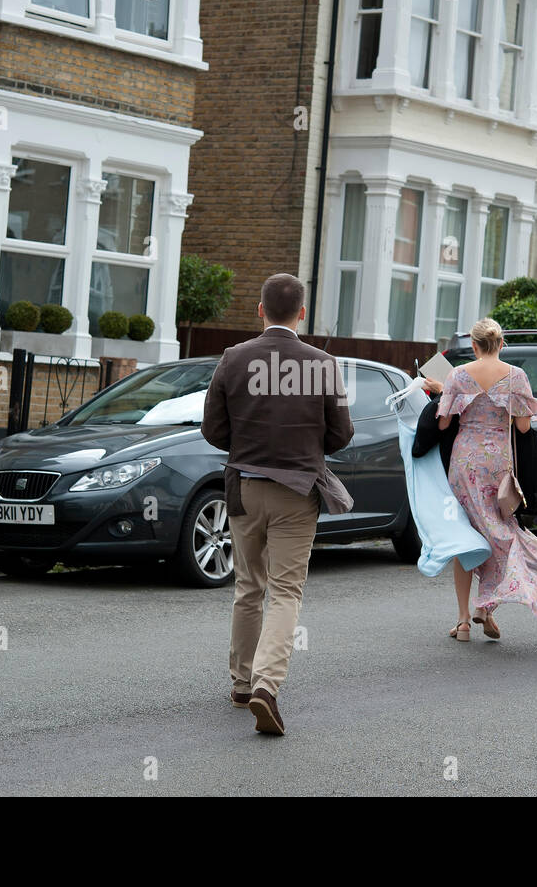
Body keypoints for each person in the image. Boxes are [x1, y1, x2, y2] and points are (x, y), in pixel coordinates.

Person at [201, 274, 354, 735]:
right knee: (285, 591)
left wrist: (245, 446)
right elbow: (341, 434)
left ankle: (243, 682)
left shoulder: (233, 358)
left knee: (248, 586)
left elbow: (213, 428)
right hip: (296, 489)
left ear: (260, 310)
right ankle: (268, 685)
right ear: (301, 313)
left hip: (245, 487)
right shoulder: (324, 364)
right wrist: (309, 447)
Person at [425, 318, 537, 641]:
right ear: (501, 344)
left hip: (464, 463)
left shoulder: (457, 375)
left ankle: (465, 619)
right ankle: (486, 607)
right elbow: (522, 428)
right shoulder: (516, 376)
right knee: (499, 532)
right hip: (497, 463)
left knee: (466, 536)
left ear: (475, 346)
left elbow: (442, 425)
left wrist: (441, 392)